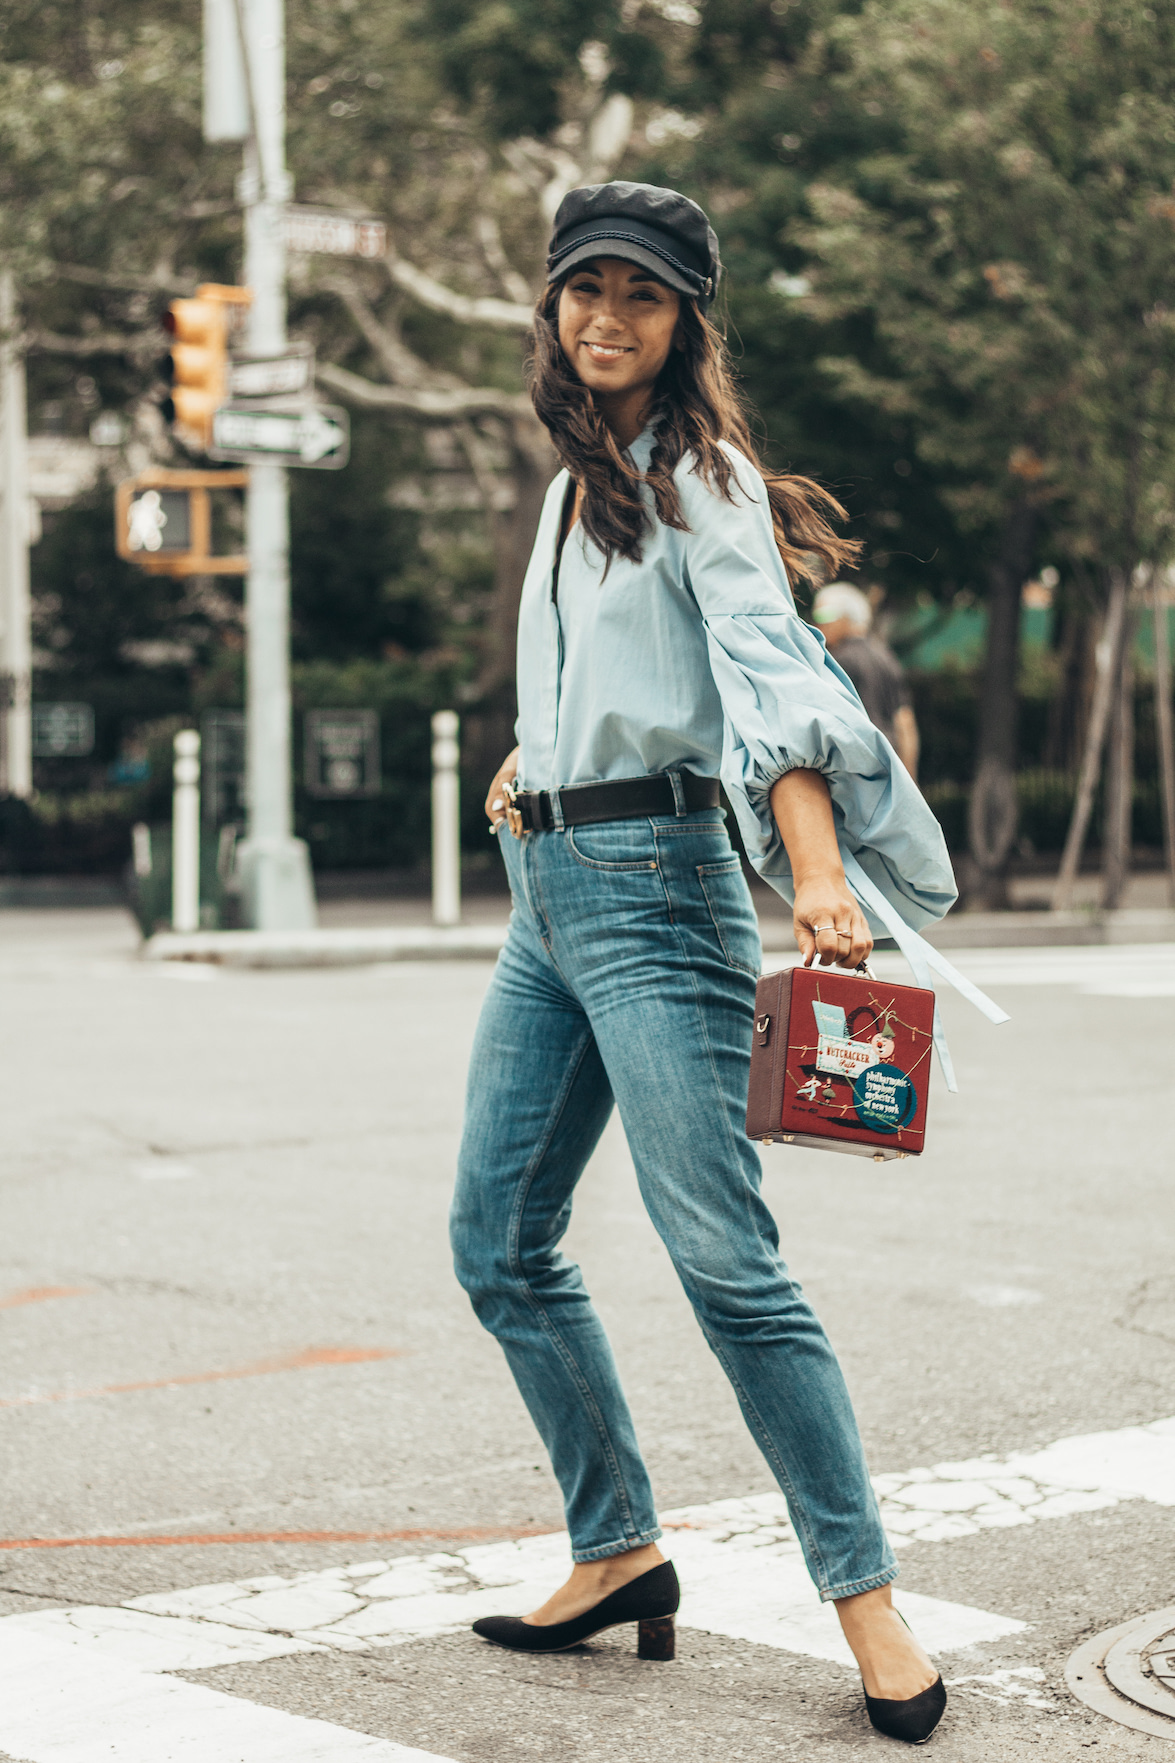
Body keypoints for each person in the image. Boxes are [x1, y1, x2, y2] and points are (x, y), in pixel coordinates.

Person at [449, 181, 956, 1746]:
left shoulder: (697, 473)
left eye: (641, 295)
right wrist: (529, 764)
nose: (605, 315)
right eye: (584, 287)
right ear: (551, 304)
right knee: (497, 1241)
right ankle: (616, 1547)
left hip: (661, 897)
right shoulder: (567, 490)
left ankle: (868, 1601)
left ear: (684, 324)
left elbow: (764, 676)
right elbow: (602, 682)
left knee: (729, 1266)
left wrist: (814, 873)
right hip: (549, 892)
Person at [812, 581, 920, 779]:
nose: (817, 624)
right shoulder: (887, 657)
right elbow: (904, 722)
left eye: (823, 616)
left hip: (854, 772)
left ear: (848, 618)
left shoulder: (836, 663)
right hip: (889, 765)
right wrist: (909, 778)